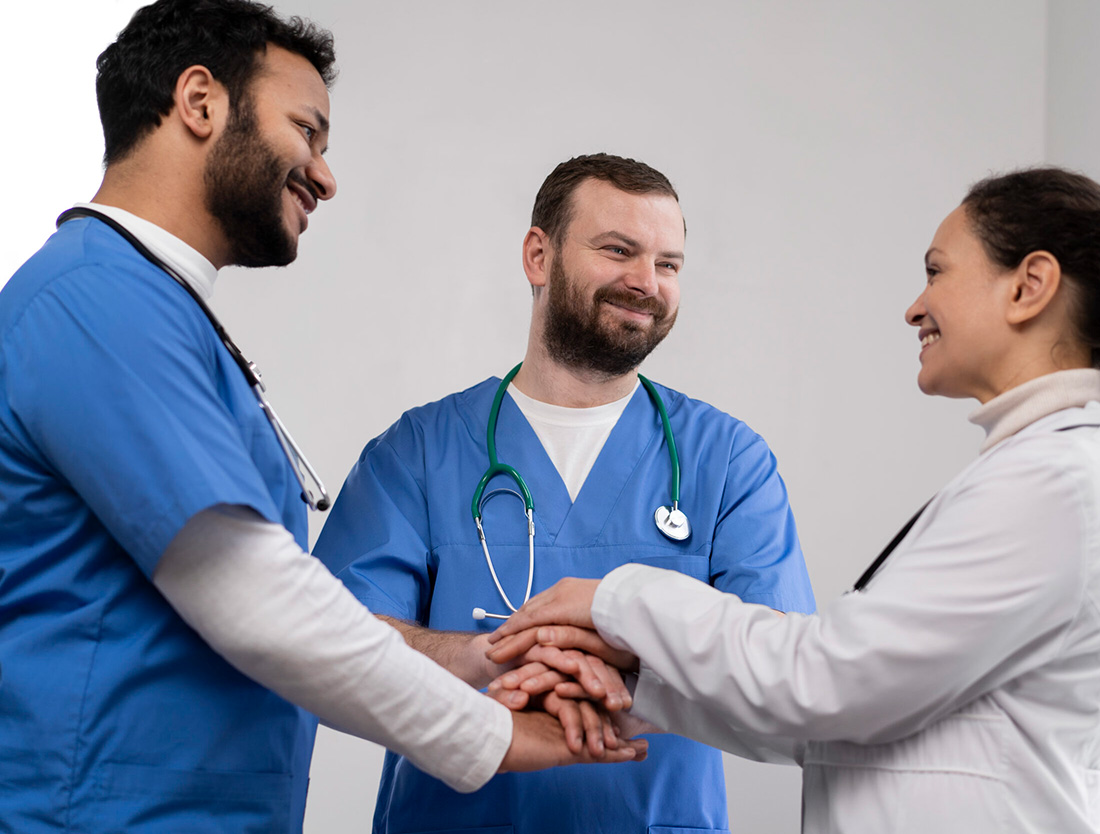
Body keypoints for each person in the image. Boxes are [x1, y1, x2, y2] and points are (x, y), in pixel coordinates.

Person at [0, 4, 641, 832]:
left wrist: (480, 657)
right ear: (200, 102)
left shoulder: (152, 308)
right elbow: (257, 598)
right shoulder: (96, 302)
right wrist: (499, 734)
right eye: (307, 130)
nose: (326, 175)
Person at [488, 166, 1100, 834]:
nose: (916, 305)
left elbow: (825, 681)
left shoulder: (1059, 486)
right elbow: (835, 715)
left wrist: (617, 598)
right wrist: (629, 685)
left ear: (1029, 285)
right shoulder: (1040, 472)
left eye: (937, 271)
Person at [312, 152, 816, 833]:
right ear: (537, 256)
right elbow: (332, 641)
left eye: (669, 264)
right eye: (619, 251)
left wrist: (621, 666)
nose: (646, 282)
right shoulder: (418, 451)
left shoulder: (727, 461)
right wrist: (489, 657)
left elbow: (785, 668)